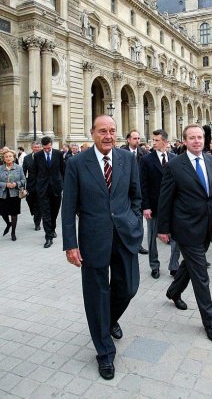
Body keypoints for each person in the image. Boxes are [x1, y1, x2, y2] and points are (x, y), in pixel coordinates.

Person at [62, 115, 142, 380]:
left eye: (112, 131)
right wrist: (70, 244)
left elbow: (136, 196)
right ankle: (104, 353)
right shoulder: (76, 163)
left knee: (129, 287)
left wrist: (134, 222)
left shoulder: (127, 159)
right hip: (93, 239)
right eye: (102, 131)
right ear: (92, 133)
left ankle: (107, 321)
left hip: (124, 235)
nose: (108, 135)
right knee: (97, 295)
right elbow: (69, 207)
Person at [157, 124, 212, 344]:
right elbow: (166, 198)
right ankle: (210, 321)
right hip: (186, 228)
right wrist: (163, 229)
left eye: (200, 137)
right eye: (192, 138)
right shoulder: (175, 165)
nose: (197, 141)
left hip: (208, 227)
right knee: (201, 275)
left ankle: (173, 292)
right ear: (184, 141)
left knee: (190, 264)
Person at [140, 129, 180, 278]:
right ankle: (154, 266)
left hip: (174, 205)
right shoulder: (146, 160)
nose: (153, 143)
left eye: (156, 140)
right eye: (152, 140)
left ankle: (174, 265)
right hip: (154, 205)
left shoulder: (174, 158)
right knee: (152, 238)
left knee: (176, 237)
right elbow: (142, 185)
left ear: (165, 141)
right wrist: (145, 206)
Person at [121, 130, 148, 254]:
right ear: (128, 139)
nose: (137, 141)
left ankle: (138, 244)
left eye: (138, 138)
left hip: (140, 192)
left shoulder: (144, 153)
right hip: (125, 192)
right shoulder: (121, 153)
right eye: (135, 138)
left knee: (139, 219)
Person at [34, 136, 64, 248]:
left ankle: (52, 229)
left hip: (56, 188)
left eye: (49, 148)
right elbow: (36, 172)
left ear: (52, 145)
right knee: (45, 213)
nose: (47, 150)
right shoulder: (37, 156)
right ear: (42, 146)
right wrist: (36, 187)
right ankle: (48, 237)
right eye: (45, 148)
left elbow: (62, 170)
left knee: (54, 212)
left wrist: (64, 185)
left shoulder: (58, 154)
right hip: (43, 189)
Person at [0, 149, 25, 241]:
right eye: (6, 157)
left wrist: (16, 184)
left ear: (14, 158)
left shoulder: (19, 168)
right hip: (3, 194)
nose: (8, 158)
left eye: (10, 156)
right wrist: (5, 184)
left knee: (14, 213)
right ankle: (8, 223)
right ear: (4, 159)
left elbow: (23, 180)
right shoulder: (0, 168)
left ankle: (13, 232)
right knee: (2, 212)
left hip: (14, 194)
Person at [23, 141, 42, 230]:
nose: (37, 149)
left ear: (40, 147)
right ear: (32, 148)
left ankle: (37, 223)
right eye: (35, 147)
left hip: (41, 184)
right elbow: (23, 172)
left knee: (38, 203)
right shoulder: (27, 158)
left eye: (38, 147)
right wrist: (22, 185)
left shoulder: (44, 157)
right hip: (30, 183)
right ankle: (34, 212)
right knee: (29, 200)